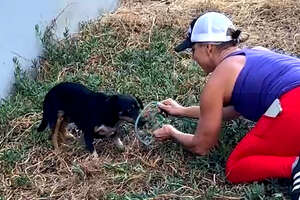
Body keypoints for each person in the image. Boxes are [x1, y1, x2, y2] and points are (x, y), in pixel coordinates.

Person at [153, 12, 300, 200]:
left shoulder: (218, 78)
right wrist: (181, 111)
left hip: (294, 103)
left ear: (208, 48)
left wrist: (172, 132)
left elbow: (201, 146)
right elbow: (232, 111)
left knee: (236, 166)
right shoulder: (257, 53)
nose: (193, 58)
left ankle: (295, 166)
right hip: (293, 97)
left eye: (192, 50)